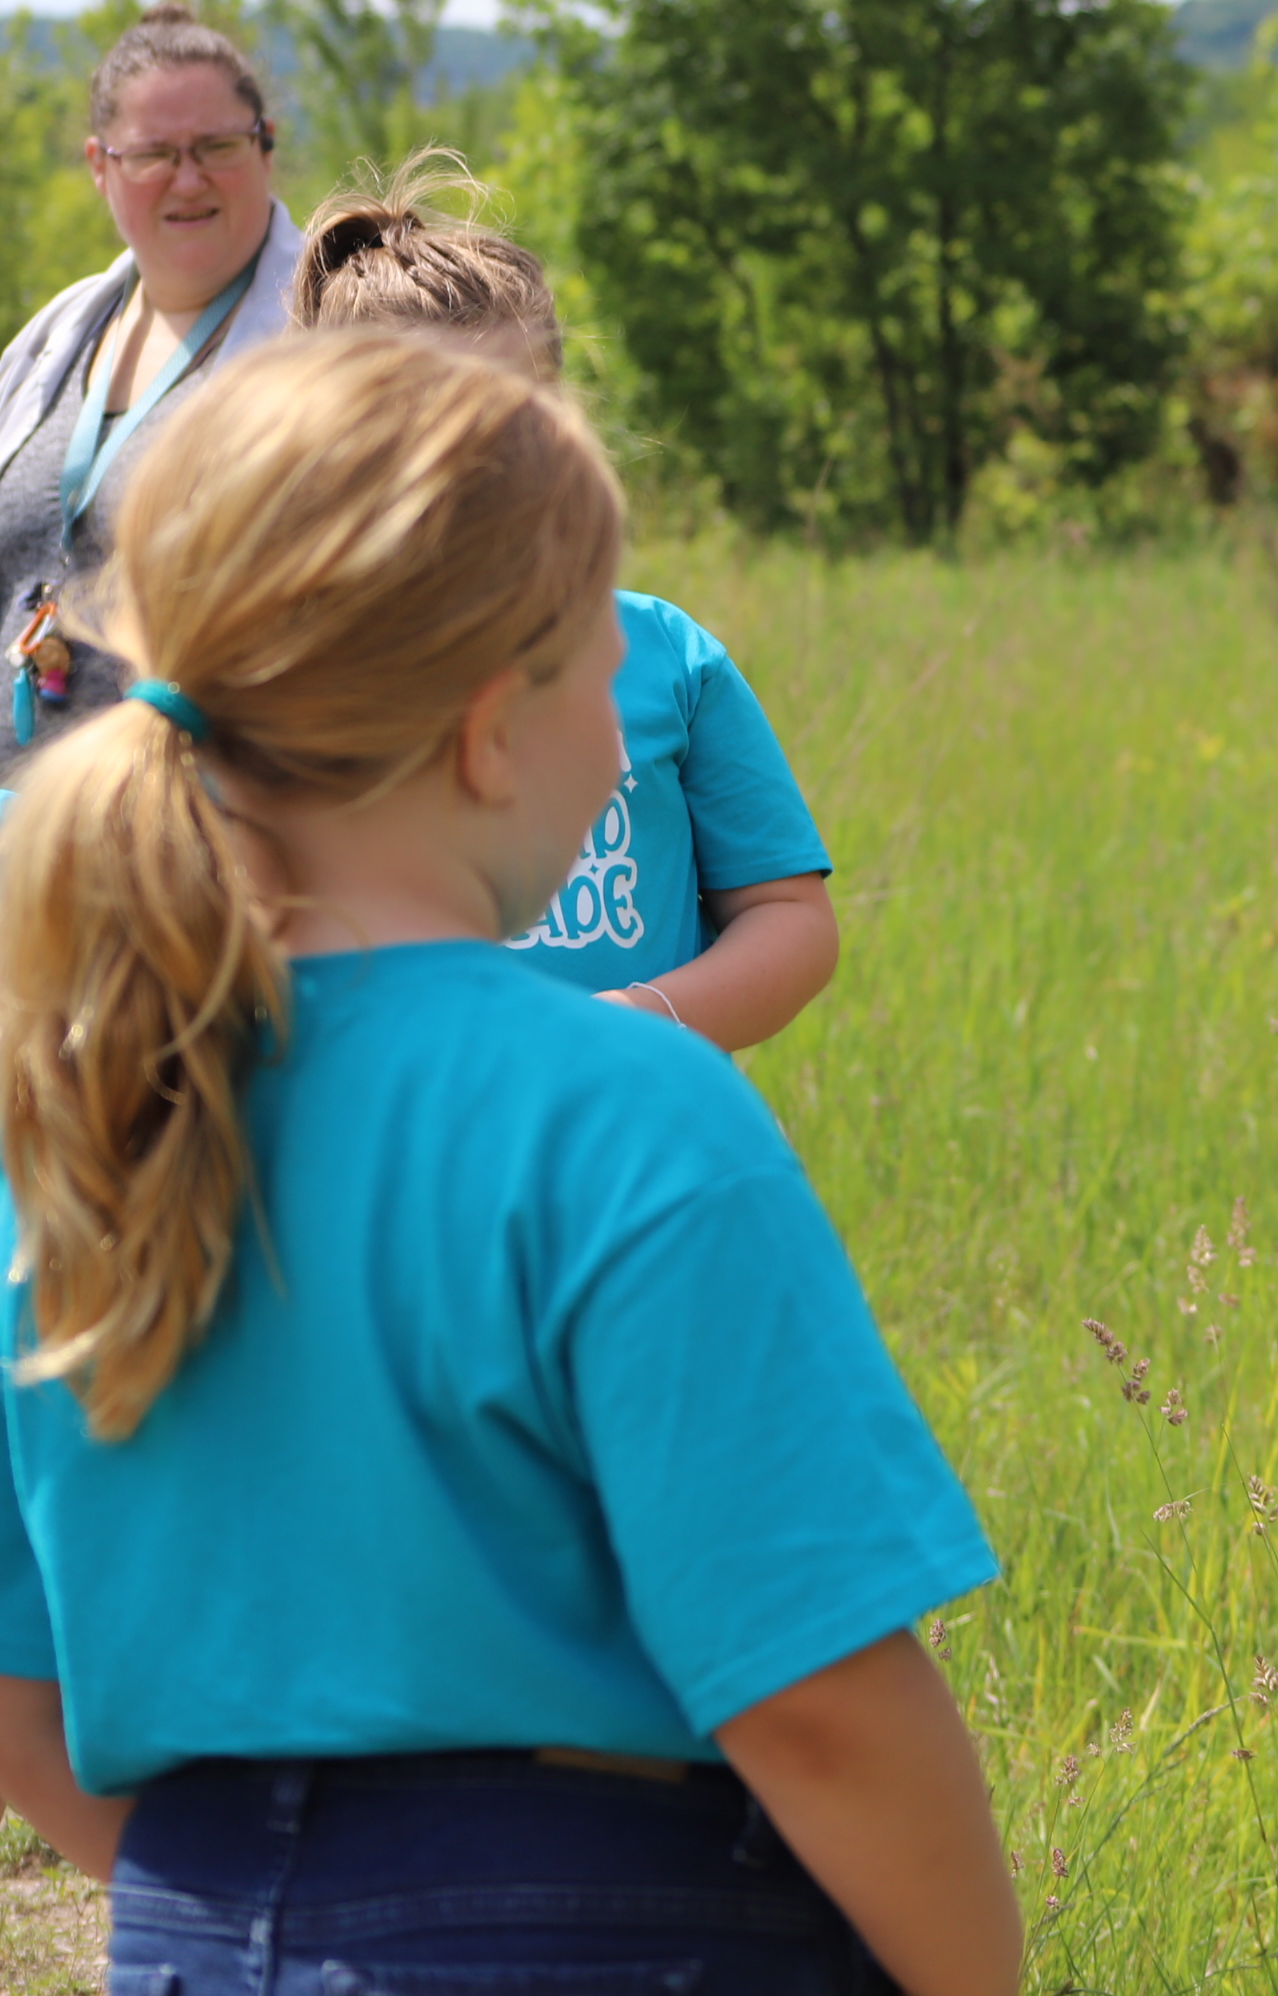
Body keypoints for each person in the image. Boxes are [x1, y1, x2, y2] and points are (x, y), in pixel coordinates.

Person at [0, 332, 1015, 1995]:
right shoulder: (630, 1112)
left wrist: (296, 1901)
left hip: (199, 1932)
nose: (629, 719)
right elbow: (821, 1701)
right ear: (490, 734)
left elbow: (20, 1704)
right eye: (604, 659)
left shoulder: (67, 1110)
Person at [292, 158, 840, 1048]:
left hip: (632, 1159)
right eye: (422, 416)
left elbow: (791, 918)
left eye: (515, 410)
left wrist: (637, 1029)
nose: (479, 453)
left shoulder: (660, 652)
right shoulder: (279, 678)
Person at [0, 7, 307, 761]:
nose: (189, 177)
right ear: (101, 165)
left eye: (217, 146)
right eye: (153, 154)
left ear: (266, 147)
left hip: (190, 831)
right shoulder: (56, 335)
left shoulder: (321, 339)